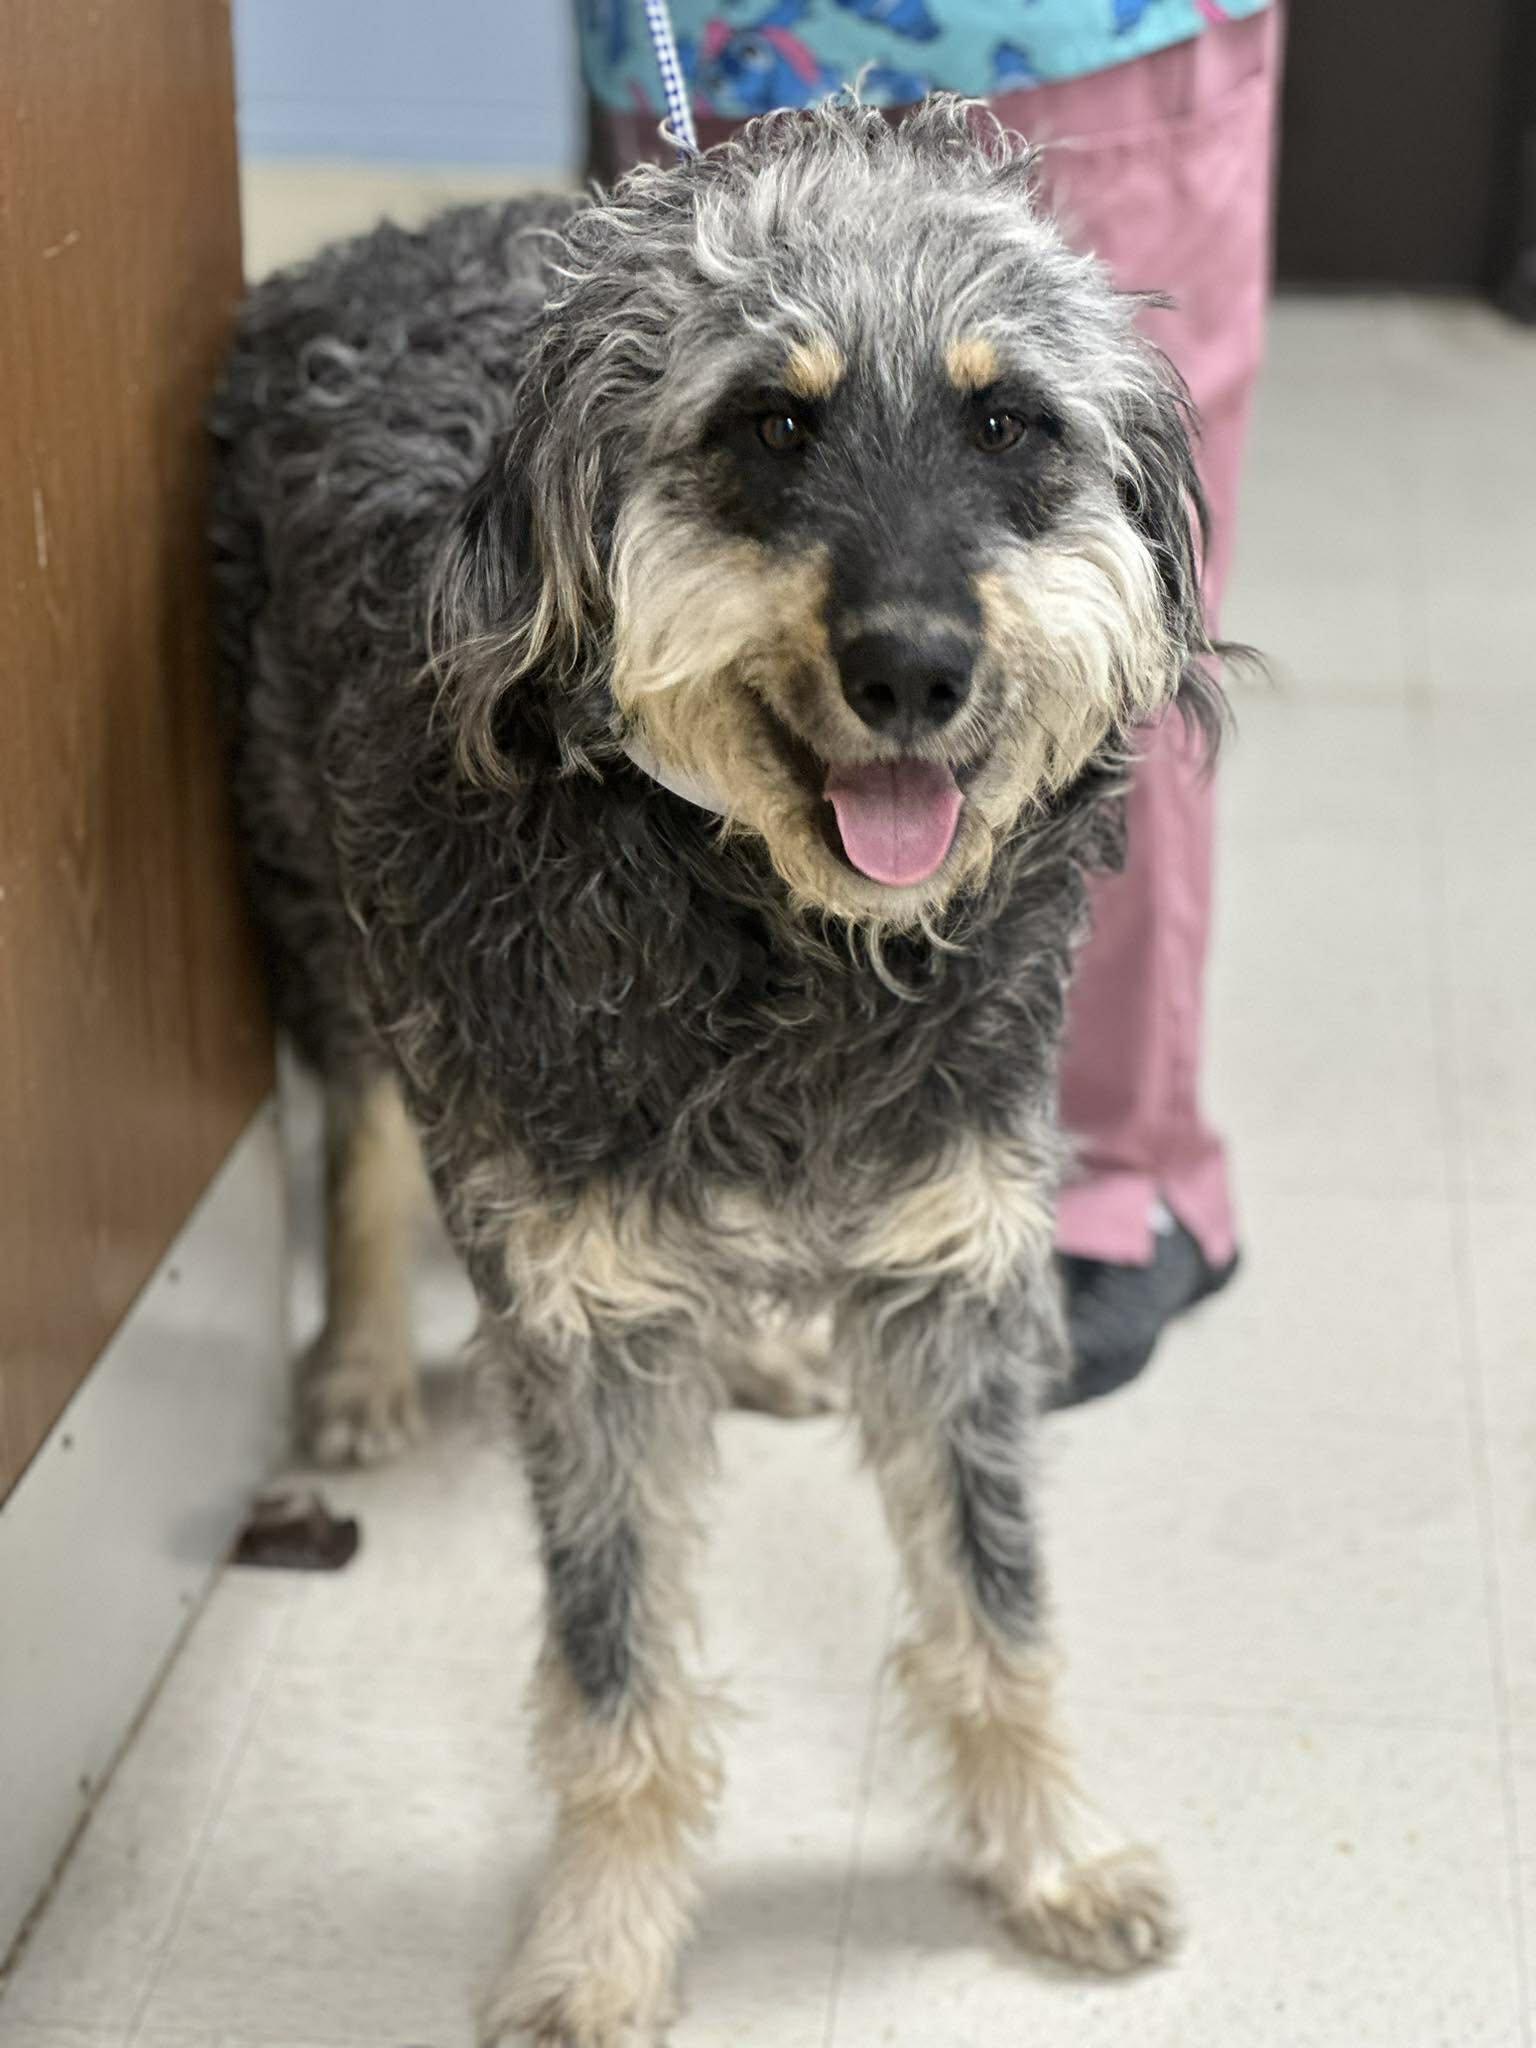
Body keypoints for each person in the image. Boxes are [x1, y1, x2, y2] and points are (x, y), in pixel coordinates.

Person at [578, 0, 1281, 1404]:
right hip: (721, 34)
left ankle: (1094, 1174)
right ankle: (741, 1171)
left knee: (1104, 618)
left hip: (1073, 32)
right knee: (680, 616)